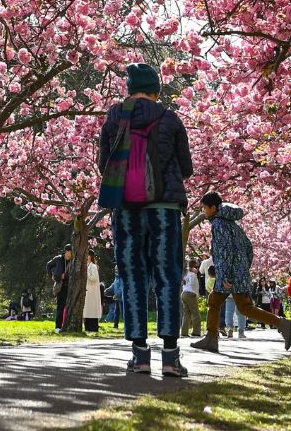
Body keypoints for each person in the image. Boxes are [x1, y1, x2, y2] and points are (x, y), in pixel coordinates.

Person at [97, 61, 194, 378]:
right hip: (164, 209)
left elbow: (104, 163)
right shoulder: (170, 118)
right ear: (156, 89)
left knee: (133, 277)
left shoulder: (115, 116)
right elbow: (186, 167)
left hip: (126, 209)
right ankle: (170, 357)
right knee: (168, 276)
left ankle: (139, 356)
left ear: (130, 88)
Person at [188, 192, 291, 352]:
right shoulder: (233, 225)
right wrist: (242, 269)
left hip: (229, 276)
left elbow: (225, 253)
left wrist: (228, 276)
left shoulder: (218, 224)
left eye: (205, 207)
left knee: (226, 303)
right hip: (239, 273)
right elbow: (248, 248)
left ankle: (212, 338)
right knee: (233, 304)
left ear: (214, 208)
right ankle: (281, 324)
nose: (204, 211)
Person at [48, 247, 73, 330]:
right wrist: (53, 274)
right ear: (66, 252)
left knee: (70, 307)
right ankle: (58, 326)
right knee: (60, 307)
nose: (70, 254)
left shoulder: (73, 260)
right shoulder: (58, 259)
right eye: (69, 252)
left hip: (70, 286)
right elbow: (49, 265)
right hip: (60, 286)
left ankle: (67, 325)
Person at [82, 250, 103, 332]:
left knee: (91, 310)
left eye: (87, 255)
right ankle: (87, 327)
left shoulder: (93, 266)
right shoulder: (88, 266)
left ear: (91, 256)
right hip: (88, 291)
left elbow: (93, 278)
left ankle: (93, 327)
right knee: (87, 310)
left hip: (92, 292)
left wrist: (86, 271)